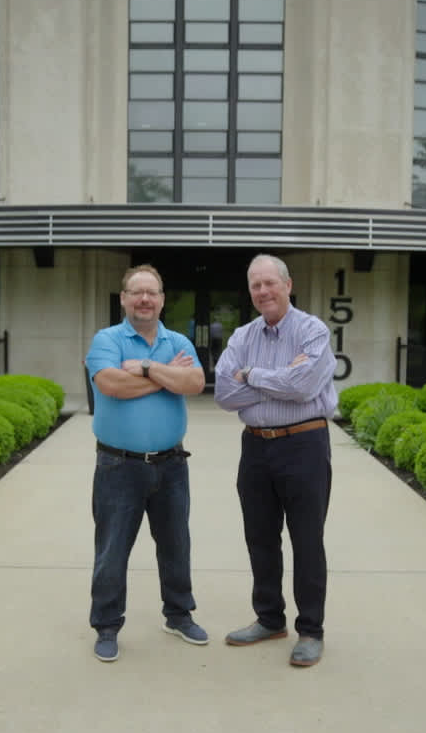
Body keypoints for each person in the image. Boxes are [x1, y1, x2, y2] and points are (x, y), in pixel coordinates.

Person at [213, 254, 338, 667]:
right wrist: (278, 378)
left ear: (288, 284)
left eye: (270, 283)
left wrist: (250, 375)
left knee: (306, 540)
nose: (263, 291)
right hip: (256, 448)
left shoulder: (312, 330)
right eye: (255, 286)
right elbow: (223, 394)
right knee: (260, 537)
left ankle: (310, 631)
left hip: (304, 445)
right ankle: (269, 619)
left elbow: (303, 387)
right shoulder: (243, 335)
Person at [83, 264, 208, 663]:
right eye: (136, 292)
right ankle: (106, 624)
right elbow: (111, 385)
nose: (144, 299)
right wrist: (168, 377)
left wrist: (150, 368)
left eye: (151, 292)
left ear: (162, 299)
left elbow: (196, 384)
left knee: (176, 544)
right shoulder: (107, 339)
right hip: (118, 467)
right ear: (123, 298)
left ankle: (178, 614)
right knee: (112, 549)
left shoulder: (177, 341)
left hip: (172, 466)